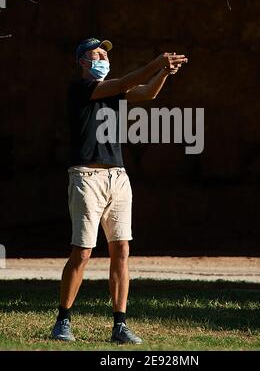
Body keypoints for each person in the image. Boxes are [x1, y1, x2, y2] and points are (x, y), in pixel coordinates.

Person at [51, 37, 188, 344]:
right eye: (96, 54)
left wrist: (163, 73)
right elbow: (128, 80)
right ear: (81, 62)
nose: (103, 57)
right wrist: (157, 62)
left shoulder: (115, 92)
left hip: (118, 177)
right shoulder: (81, 89)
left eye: (105, 54)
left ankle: (120, 325)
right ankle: (62, 320)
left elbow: (146, 92)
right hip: (87, 178)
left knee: (121, 250)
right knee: (83, 252)